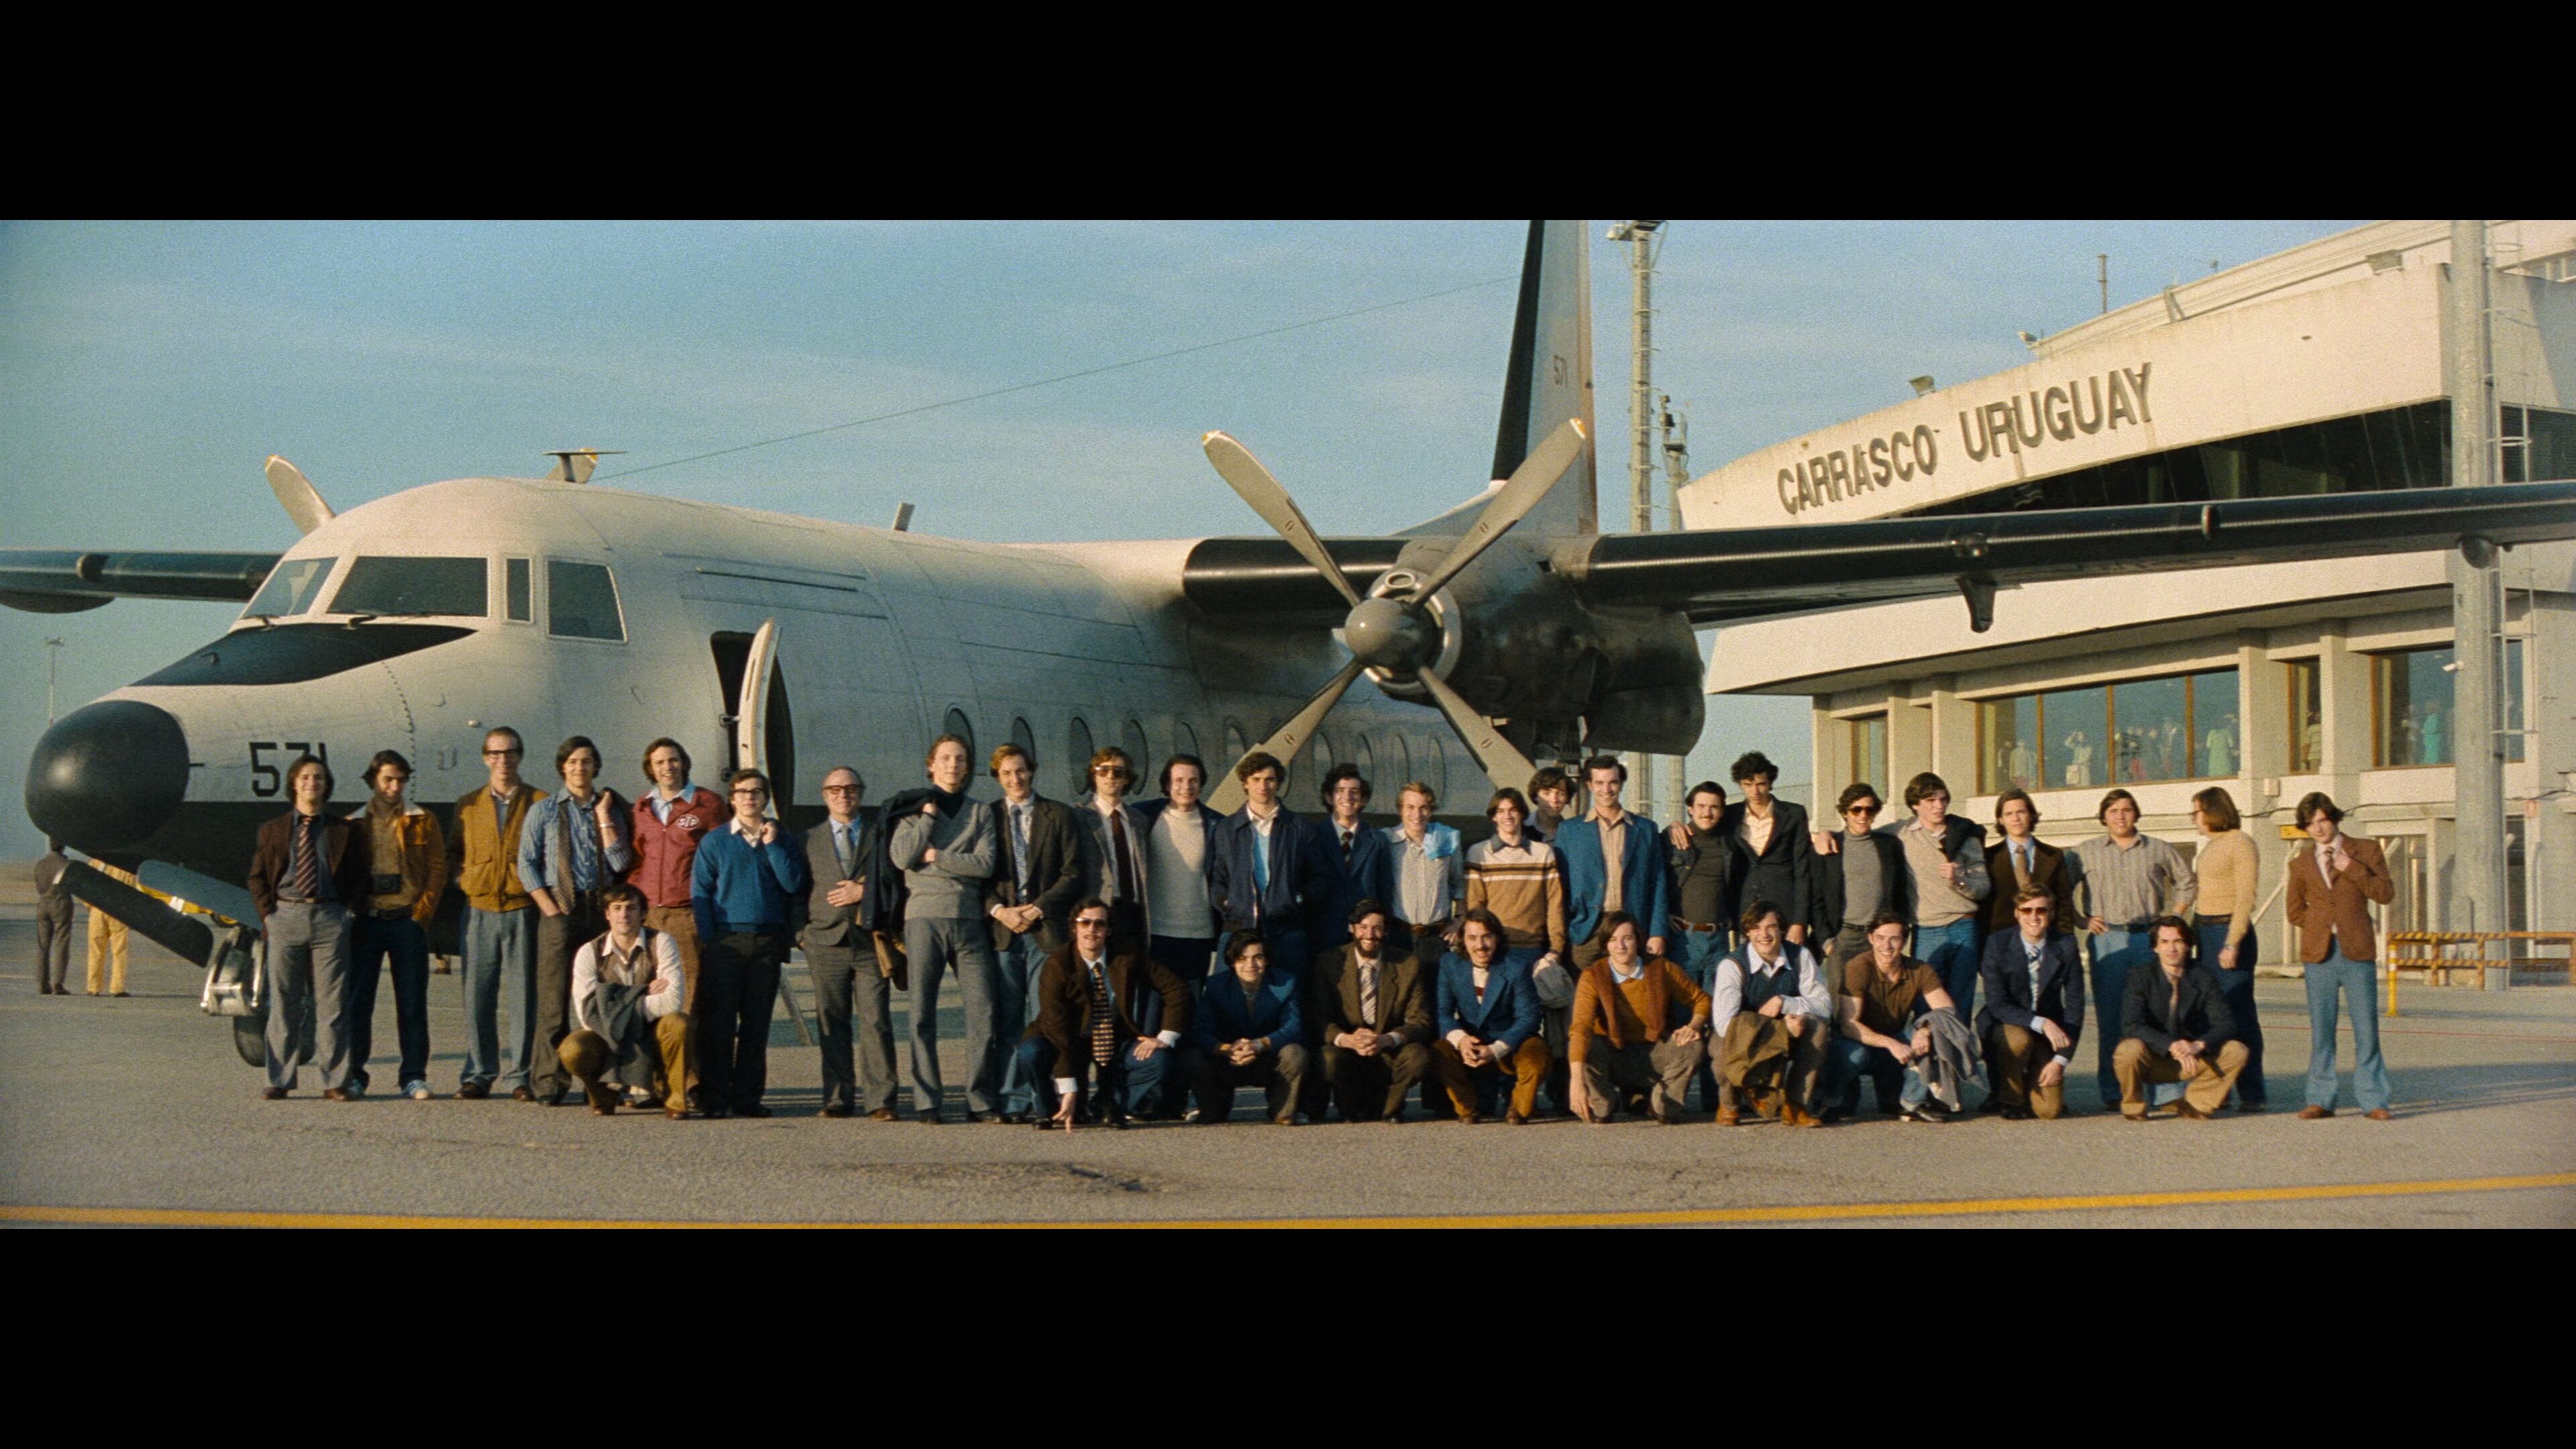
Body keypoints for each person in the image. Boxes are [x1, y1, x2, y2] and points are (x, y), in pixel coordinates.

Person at [888, 733, 1003, 1122]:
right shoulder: (912, 809)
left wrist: (936, 855)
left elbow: (985, 864)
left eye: (960, 759)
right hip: (923, 918)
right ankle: (927, 1100)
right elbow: (903, 857)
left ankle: (979, 1099)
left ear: (968, 767)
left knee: (983, 1011)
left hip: (969, 919)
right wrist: (928, 818)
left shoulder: (980, 812)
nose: (953, 765)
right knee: (922, 1012)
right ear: (931, 765)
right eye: (946, 758)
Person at [516, 735, 635, 1105]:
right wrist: (549, 908)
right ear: (562, 768)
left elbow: (621, 862)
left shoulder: (611, 809)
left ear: (595, 766)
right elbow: (526, 863)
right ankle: (549, 1082)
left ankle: (600, 1082)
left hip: (601, 910)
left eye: (586, 761)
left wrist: (605, 820)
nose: (579, 768)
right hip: (561, 908)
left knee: (603, 998)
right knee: (553, 1000)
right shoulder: (544, 811)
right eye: (572, 762)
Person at [246, 754, 372, 1099]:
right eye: (305, 778)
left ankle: (335, 1082)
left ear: (326, 785)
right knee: (284, 1003)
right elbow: (257, 877)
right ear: (294, 784)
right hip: (286, 917)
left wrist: (348, 915)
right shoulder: (273, 830)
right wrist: (269, 916)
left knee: (333, 1005)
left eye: (318, 777)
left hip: (330, 919)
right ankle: (279, 1080)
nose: (311, 783)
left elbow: (362, 878)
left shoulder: (344, 831)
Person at [688, 767, 808, 1118]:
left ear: (766, 798)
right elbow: (700, 893)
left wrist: (773, 846)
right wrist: (711, 940)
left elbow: (793, 884)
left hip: (767, 942)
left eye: (757, 792)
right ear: (732, 798)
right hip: (727, 942)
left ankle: (747, 1098)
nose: (750, 798)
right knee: (720, 1025)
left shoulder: (781, 838)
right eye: (742, 792)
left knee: (757, 1026)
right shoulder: (715, 841)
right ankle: (715, 1098)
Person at [2068, 788, 2195, 1110]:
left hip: (2148, 940)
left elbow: (2187, 882)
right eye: (2113, 811)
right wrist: (2080, 920)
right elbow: (2057, 889)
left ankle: (2166, 1093)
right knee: (2111, 1017)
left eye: (2126, 810)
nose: (2120, 816)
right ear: (2103, 816)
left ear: (2136, 814)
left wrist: (2174, 917)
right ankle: (2115, 1091)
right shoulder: (2085, 852)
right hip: (2108, 939)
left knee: (2159, 1014)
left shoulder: (2158, 848)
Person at [981, 743, 1087, 1123]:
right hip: (1004, 932)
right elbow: (979, 875)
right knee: (1008, 1018)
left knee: (1047, 1017)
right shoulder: (987, 817)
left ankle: (1046, 1096)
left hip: (1047, 930)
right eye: (1007, 773)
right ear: (997, 777)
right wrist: (1001, 911)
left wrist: (1038, 908)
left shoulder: (1058, 815)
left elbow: (1074, 873)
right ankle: (1012, 1099)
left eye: (1021, 771)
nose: (1016, 779)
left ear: (1032, 771)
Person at [1021, 900, 1191, 1129]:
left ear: (1108, 930)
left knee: (1157, 1061)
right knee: (1031, 1053)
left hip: (1113, 1037)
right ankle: (1049, 1110)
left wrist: (1165, 1037)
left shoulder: (1125, 956)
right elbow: (1056, 1026)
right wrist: (1069, 1087)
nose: (1092, 930)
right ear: (1074, 928)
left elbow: (1176, 988)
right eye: (1085, 923)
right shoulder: (1058, 965)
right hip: (1066, 1037)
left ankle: (1108, 1105)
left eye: (1099, 924)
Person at [2284, 792, 2394, 1121]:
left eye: (2322, 820)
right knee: (2322, 1030)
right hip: (2319, 955)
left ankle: (2374, 1100)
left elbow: (2385, 893)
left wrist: (2353, 869)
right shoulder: (2301, 863)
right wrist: (2322, 924)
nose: (2318, 829)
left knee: (2366, 1029)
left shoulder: (2366, 850)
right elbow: (2294, 912)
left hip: (2357, 950)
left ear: (2333, 818)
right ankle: (2320, 1099)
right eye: (2310, 824)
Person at [345, 750, 447, 1101]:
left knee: (412, 1003)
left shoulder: (423, 820)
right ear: (373, 780)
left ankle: (413, 1076)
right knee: (359, 1003)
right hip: (368, 921)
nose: (394, 787)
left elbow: (437, 868)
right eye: (387, 780)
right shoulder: (355, 823)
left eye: (400, 780)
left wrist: (422, 914)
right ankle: (355, 1075)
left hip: (407, 921)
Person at [803, 766, 900, 1120]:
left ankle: (881, 1100)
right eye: (835, 790)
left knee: (876, 1021)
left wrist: (864, 891)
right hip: (825, 941)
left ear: (861, 793)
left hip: (869, 941)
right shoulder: (808, 839)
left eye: (850, 789)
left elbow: (896, 880)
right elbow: (796, 889)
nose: (843, 795)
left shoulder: (880, 835)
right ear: (824, 795)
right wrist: (801, 934)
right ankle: (837, 1098)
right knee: (832, 1021)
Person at [451, 727, 543, 1099]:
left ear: (520, 756)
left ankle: (520, 1075)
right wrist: (465, 880)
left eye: (510, 752)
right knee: (477, 996)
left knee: (524, 997)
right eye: (495, 753)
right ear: (485, 758)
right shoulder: (468, 805)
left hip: (522, 908)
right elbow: (454, 852)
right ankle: (479, 1073)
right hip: (479, 909)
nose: (503, 760)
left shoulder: (539, 802)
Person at [558, 882, 690, 1118]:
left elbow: (672, 1002)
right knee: (573, 1048)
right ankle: (603, 1094)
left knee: (678, 1023)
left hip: (652, 1028)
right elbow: (587, 1014)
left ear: (643, 913)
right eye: (617, 908)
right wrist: (644, 992)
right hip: (606, 1033)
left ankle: (675, 1099)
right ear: (607, 914)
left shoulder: (661, 942)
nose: (624, 915)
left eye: (631, 908)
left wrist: (614, 1003)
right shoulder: (589, 952)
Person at [1566, 911, 1710, 1124]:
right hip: (1614, 1054)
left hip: (1654, 1051)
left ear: (1638, 941)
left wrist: (1694, 1025)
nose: (1621, 946)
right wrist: (1576, 1083)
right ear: (1605, 945)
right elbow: (1581, 1027)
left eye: (1627, 938)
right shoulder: (1593, 975)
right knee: (1586, 1046)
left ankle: (1662, 1104)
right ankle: (1605, 1103)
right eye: (1613, 940)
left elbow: (1701, 999)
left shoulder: (1661, 968)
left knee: (1692, 1047)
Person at [1207, 751, 1329, 988]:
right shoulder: (1227, 828)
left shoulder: (1299, 827)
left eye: (1270, 779)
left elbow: (1319, 877)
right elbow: (1218, 877)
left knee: (1288, 994)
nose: (1263, 786)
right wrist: (1226, 901)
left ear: (1278, 783)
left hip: (1286, 928)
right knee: (1228, 994)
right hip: (1239, 926)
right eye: (1256, 779)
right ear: (1245, 783)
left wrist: (1297, 898)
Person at [1823, 911, 1960, 1124]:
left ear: (1904, 941)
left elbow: (1947, 1011)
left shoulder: (1919, 969)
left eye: (1894, 939)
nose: (1887, 946)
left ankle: (1912, 1103)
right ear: (1870, 938)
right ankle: (1831, 1101)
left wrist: (1925, 1030)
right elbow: (1849, 1025)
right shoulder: (1858, 967)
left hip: (1894, 1036)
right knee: (1854, 1055)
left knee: (1935, 1035)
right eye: (1880, 938)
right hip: (1858, 1040)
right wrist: (1891, 1044)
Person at [1308, 900, 1433, 1122]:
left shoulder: (1408, 964)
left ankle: (1390, 1109)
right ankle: (1349, 1108)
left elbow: (1420, 1021)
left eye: (1377, 928)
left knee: (1417, 1056)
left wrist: (1387, 1039)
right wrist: (1347, 1040)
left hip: (1388, 1047)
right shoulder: (1329, 962)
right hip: (1348, 1049)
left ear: (1386, 932)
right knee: (1328, 1058)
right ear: (1352, 929)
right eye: (1363, 927)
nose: (1369, 935)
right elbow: (1318, 1017)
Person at [1709, 899, 1831, 1126]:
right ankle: (1729, 1105)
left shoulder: (1801, 956)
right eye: (1756, 928)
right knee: (1720, 1050)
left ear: (1782, 930)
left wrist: (1784, 1003)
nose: (1764, 935)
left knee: (1818, 1030)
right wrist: (1780, 1030)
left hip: (1788, 1028)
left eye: (1771, 927)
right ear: (1747, 933)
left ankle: (1795, 1105)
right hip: (1742, 1036)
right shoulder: (1732, 965)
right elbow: (1725, 1026)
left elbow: (1824, 1005)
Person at [2114, 916, 2249, 1121]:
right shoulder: (2140, 976)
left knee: (2236, 1051)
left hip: (2192, 1059)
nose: (2171, 949)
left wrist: (2197, 1046)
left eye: (2178, 941)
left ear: (2187, 945)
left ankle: (2195, 1103)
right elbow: (2131, 1024)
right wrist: (2170, 1045)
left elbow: (2226, 1024)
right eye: (2164, 942)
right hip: (2152, 1058)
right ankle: (2133, 1106)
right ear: (2155, 947)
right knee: (2128, 1050)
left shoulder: (2204, 977)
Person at [1883, 771, 1988, 1030]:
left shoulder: (1965, 835)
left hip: (1964, 926)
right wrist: (1827, 836)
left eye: (1942, 800)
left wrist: (1959, 880)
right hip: (1927, 930)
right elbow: (1860, 834)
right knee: (1924, 1002)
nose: (1938, 806)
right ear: (1915, 804)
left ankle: (1957, 1052)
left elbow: (1983, 887)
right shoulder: (1902, 833)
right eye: (1930, 800)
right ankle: (1928, 1053)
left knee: (1960, 1003)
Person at [1977, 885, 2086, 1120]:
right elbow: (1997, 1004)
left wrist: (2061, 1060)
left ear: (2051, 913)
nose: (2034, 917)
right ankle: (2011, 1099)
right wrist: (2041, 1023)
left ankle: (2031, 1081)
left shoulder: (2066, 945)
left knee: (2049, 1111)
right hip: (2009, 1022)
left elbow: (2075, 1005)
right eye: (2026, 910)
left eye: (2041, 910)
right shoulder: (1998, 944)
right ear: (2017, 914)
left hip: (2048, 1031)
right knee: (2018, 1041)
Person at [628, 738, 723, 1005]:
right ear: (651, 768)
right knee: (649, 987)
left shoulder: (708, 803)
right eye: (659, 762)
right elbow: (638, 856)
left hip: (686, 912)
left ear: (684, 764)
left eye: (673, 760)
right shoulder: (642, 806)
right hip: (649, 914)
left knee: (688, 987)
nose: (667, 767)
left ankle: (689, 1034)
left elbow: (722, 859)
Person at [1432, 910, 1548, 1124]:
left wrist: (1496, 1050)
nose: (1480, 946)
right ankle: (1468, 1108)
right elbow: (1443, 1013)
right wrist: (1461, 1040)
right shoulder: (1450, 964)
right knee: (1441, 1050)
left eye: (1487, 937)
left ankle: (1519, 1106)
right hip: (1472, 1043)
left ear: (1498, 938)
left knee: (1536, 1053)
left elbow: (1529, 1017)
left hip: (1509, 1043)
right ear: (1462, 940)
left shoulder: (1516, 967)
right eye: (1472, 938)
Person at [1554, 755, 1671, 969]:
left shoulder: (1645, 829)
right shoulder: (1570, 831)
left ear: (1621, 784)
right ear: (1589, 785)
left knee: (1632, 988)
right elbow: (1560, 888)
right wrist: (1566, 931)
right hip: (1586, 930)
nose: (1606, 790)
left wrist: (1657, 933)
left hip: (1631, 928)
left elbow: (1658, 883)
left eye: (1613, 782)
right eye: (1599, 783)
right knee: (1585, 989)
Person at [2190, 785, 2265, 1112]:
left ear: (2213, 811)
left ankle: (2252, 1092)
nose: (2194, 818)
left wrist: (2232, 942)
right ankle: (2218, 1089)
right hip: (2205, 931)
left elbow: (2246, 897)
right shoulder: (2210, 846)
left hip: (2228, 932)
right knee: (2212, 1015)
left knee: (2238, 1012)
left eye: (2197, 812)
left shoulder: (2240, 842)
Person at [1181, 933, 1309, 1124]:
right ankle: (1211, 1110)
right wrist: (1226, 1049)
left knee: (1295, 1052)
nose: (1251, 965)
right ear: (1232, 962)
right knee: (1193, 1056)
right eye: (1242, 958)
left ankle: (1284, 1112)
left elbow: (1293, 1028)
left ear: (1267, 960)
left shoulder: (1285, 983)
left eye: (1258, 957)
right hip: (1229, 1059)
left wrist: (1259, 1044)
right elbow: (1201, 1029)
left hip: (1267, 1057)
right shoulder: (1216, 985)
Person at [1464, 788, 1568, 972]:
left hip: (1533, 950)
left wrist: (1556, 949)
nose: (1507, 816)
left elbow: (1555, 904)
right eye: (1501, 811)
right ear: (1494, 817)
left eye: (1513, 810)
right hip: (1494, 949)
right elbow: (1475, 905)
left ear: (1522, 814)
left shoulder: (1543, 853)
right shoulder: (1479, 853)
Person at [1721, 752, 1814, 946]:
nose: (1755, 791)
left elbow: (1802, 869)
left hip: (1784, 910)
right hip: (1744, 909)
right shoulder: (1730, 815)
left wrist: (1799, 921)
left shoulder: (1794, 814)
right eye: (1748, 785)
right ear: (1740, 785)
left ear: (1770, 783)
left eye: (1761, 784)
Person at [1813, 784, 1903, 973]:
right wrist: (1827, 941)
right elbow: (1816, 897)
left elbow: (1900, 891)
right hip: (1844, 937)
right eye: (1856, 810)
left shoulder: (1889, 845)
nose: (1863, 815)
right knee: (1842, 991)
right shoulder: (1830, 846)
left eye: (1869, 810)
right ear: (1845, 813)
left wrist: (1898, 932)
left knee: (1880, 991)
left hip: (1879, 936)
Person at [1077, 745, 1152, 953]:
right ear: (1094, 776)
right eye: (1103, 771)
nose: (1110, 777)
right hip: (1097, 914)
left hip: (1132, 913)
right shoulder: (1079, 818)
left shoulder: (1139, 820)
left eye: (1118, 772)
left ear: (1127, 779)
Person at [1664, 780, 1738, 991]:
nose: (1707, 813)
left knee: (1717, 1004)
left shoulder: (1729, 844)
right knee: (1683, 1004)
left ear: (1722, 811)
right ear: (1690, 809)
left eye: (1714, 807)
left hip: (1719, 939)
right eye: (1701, 806)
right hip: (1683, 939)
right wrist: (1664, 914)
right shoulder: (1671, 840)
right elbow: (1654, 881)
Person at [1312, 763, 1393, 957]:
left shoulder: (1377, 840)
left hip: (1366, 934)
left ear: (1363, 799)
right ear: (1329, 797)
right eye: (1340, 791)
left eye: (1354, 792)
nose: (1347, 797)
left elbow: (1385, 890)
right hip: (1323, 931)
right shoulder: (1313, 837)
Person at [1385, 781, 1462, 967]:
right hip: (1398, 935)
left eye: (1424, 808)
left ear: (1431, 811)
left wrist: (1459, 920)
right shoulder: (1386, 840)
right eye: (1410, 807)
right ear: (1400, 810)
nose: (1417, 814)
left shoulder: (1447, 840)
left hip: (1436, 938)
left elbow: (1460, 883)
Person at [1981, 787, 2074, 936]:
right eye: (2009, 814)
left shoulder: (2053, 856)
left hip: (2046, 939)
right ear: (2001, 820)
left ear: (2031, 815)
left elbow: (2064, 904)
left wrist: (2065, 940)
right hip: (2002, 940)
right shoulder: (1988, 858)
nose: (2016, 819)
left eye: (2021, 812)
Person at [83, 860, 136, 996]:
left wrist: (90, 907)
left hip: (97, 909)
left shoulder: (95, 862)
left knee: (96, 949)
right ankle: (117, 988)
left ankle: (93, 987)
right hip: (117, 911)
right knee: (119, 951)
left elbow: (85, 885)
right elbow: (131, 892)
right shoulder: (127, 866)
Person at [34, 840, 72, 995]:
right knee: (61, 944)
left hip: (43, 904)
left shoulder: (40, 864)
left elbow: (38, 885)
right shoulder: (66, 864)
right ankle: (58, 983)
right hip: (61, 903)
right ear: (63, 846)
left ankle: (43, 983)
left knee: (43, 946)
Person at [1527, 767, 1574, 840]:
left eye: (1561, 794)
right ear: (1536, 796)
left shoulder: (1572, 833)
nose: (1554, 800)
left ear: (1567, 797)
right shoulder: (1520, 827)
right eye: (1547, 793)